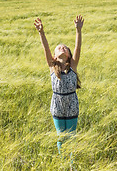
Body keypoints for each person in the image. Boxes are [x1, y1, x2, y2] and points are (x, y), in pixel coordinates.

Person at [34, 15, 84, 168]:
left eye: (65, 48)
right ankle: (63, 163)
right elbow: (45, 48)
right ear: (55, 56)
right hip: (57, 106)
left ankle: (72, 164)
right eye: (59, 47)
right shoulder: (52, 66)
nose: (62, 48)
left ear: (68, 55)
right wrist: (41, 33)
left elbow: (77, 48)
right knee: (60, 136)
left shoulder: (73, 67)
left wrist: (78, 30)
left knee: (71, 136)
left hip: (71, 105)